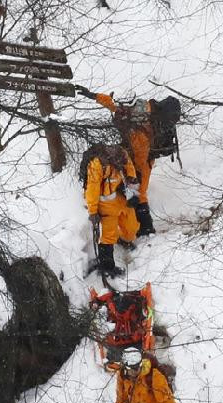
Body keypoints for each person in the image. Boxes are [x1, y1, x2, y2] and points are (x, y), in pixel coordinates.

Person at [76, 86, 157, 236]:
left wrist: (134, 175)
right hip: (131, 154)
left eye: (122, 107)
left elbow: (141, 155)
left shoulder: (141, 128)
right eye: (119, 106)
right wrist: (93, 95)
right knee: (134, 190)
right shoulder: (124, 109)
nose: (119, 109)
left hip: (143, 161)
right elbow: (110, 103)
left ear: (131, 106)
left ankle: (146, 229)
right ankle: (134, 224)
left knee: (140, 193)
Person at [83, 144, 140, 277]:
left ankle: (124, 239)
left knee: (131, 228)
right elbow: (92, 189)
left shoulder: (122, 154)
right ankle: (107, 267)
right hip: (104, 201)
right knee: (108, 236)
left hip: (119, 197)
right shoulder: (97, 165)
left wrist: (132, 187)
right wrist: (93, 211)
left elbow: (130, 169)